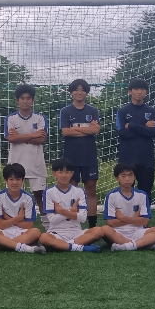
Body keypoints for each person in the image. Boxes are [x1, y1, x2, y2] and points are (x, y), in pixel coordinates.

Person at [59, 78, 101, 226]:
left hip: (89, 157)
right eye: (76, 89)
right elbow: (65, 132)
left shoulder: (93, 111)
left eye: (82, 90)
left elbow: (96, 130)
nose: (79, 92)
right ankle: (73, 224)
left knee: (91, 190)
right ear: (71, 93)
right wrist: (87, 129)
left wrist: (75, 128)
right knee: (72, 191)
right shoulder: (65, 111)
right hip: (71, 157)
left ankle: (92, 225)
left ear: (86, 93)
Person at [39, 159, 103, 252]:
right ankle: (79, 247)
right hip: (56, 232)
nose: (64, 175)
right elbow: (52, 220)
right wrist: (71, 212)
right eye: (60, 172)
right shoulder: (49, 192)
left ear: (72, 173)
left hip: (76, 232)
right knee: (44, 237)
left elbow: (83, 218)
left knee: (99, 231)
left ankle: (64, 245)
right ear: (54, 173)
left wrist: (62, 211)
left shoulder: (79, 191)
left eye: (67, 172)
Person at [101, 163, 155, 251]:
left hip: (138, 231)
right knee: (104, 229)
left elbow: (145, 221)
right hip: (118, 231)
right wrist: (135, 218)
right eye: (123, 176)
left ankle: (128, 246)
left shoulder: (142, 195)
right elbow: (111, 223)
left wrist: (123, 218)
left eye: (130, 175)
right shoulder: (111, 196)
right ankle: (143, 244)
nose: (127, 179)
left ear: (135, 177)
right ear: (117, 178)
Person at [5, 83, 48, 215]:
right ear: (17, 100)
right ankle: (15, 223)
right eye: (22, 98)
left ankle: (47, 225)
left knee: (40, 197)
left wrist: (19, 136)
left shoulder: (40, 118)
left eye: (28, 98)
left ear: (32, 100)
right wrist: (33, 135)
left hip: (36, 164)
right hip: (16, 163)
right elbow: (11, 138)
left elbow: (41, 140)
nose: (25, 101)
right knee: (14, 198)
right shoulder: (10, 119)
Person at [115, 78, 155, 199]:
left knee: (145, 194)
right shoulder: (122, 111)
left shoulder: (151, 111)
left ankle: (144, 213)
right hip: (127, 159)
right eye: (136, 89)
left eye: (142, 89)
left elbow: (154, 132)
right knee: (126, 193)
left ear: (146, 92)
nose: (139, 92)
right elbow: (122, 133)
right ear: (130, 91)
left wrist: (132, 125)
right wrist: (144, 127)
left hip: (146, 159)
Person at [0, 163, 44, 254]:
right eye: (11, 179)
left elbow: (29, 225)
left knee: (35, 232)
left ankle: (2, 245)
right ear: (6, 180)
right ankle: (26, 248)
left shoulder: (28, 198)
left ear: (23, 180)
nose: (15, 183)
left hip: (22, 232)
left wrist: (8, 218)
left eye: (18, 179)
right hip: (4, 231)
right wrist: (18, 218)